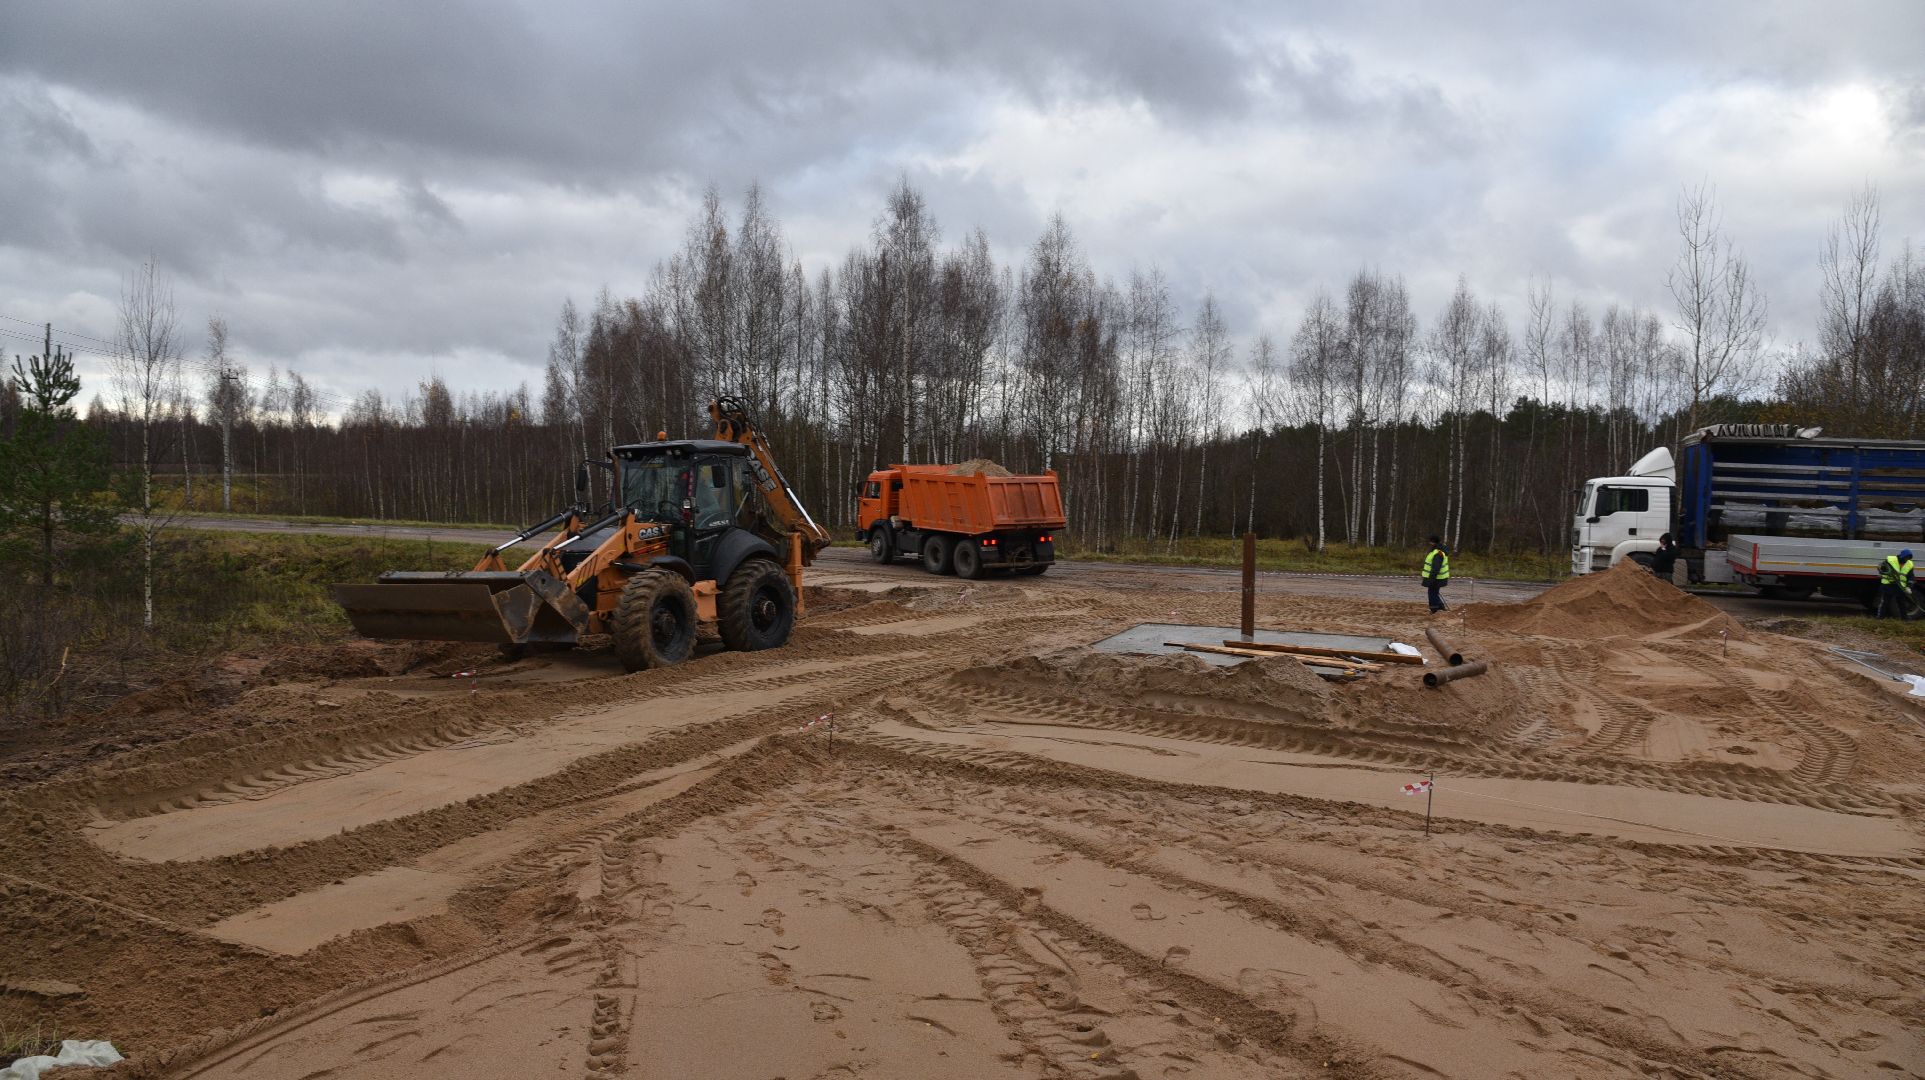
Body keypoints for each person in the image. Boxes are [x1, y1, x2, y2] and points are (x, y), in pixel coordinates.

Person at [1876, 548, 1916, 621]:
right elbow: (1881, 568)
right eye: (1905, 557)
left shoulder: (1909, 564)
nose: (1906, 560)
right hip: (1889, 584)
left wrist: (1909, 587)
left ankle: (1905, 619)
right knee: (1885, 602)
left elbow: (1911, 577)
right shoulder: (1891, 560)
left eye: (1908, 558)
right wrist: (1883, 570)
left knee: (1902, 603)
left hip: (1900, 586)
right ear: (1901, 556)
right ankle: (1880, 618)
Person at [1421, 535, 1451, 613]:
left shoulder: (1438, 553)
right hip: (1437, 577)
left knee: (1432, 593)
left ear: (1433, 542)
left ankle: (1434, 609)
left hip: (1437, 578)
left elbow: (1436, 568)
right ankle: (1440, 607)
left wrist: (1431, 579)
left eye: (1430, 541)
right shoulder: (1437, 550)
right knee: (1434, 592)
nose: (1429, 543)